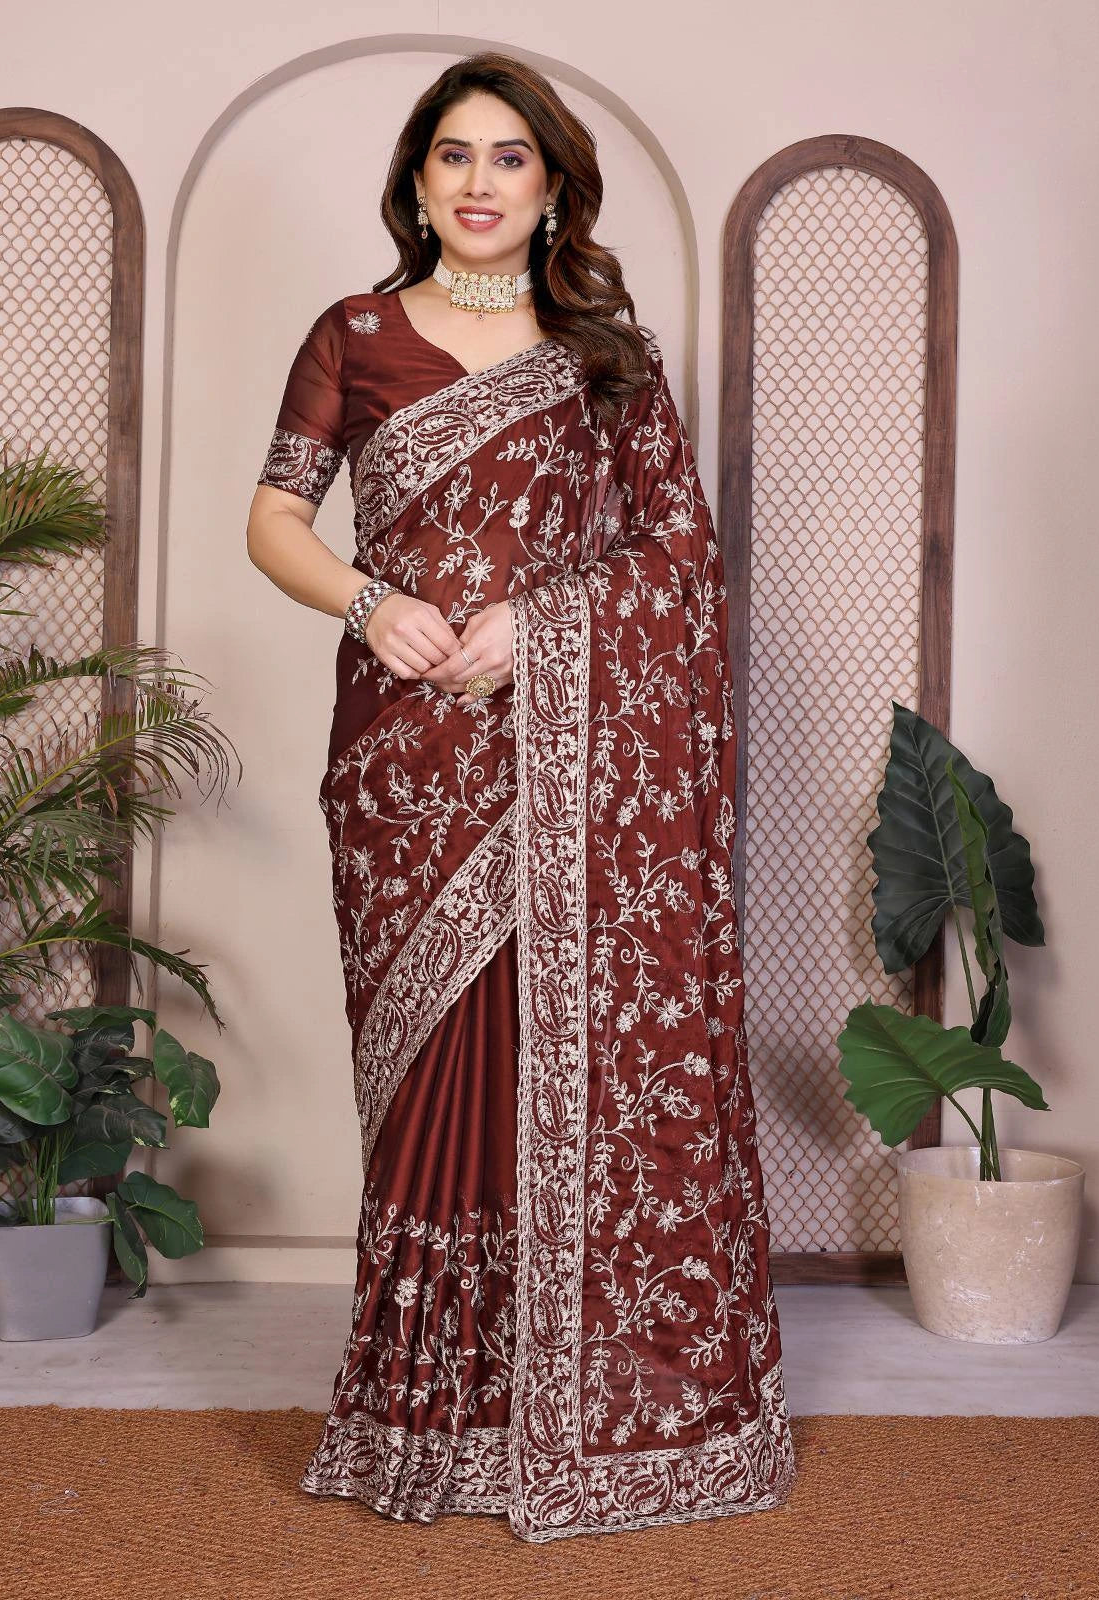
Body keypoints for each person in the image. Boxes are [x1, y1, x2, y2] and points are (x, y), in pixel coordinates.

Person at [246, 51, 796, 1544]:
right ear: (416, 182)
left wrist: (544, 631)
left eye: (509, 158)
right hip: (406, 766)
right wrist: (369, 607)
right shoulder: (353, 335)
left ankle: (560, 1409)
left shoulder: (604, 355)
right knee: (435, 1076)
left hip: (565, 760)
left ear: (552, 186)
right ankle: (422, 1417)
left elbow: (679, 559)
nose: (479, 183)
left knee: (551, 1063)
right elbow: (274, 519)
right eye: (452, 157)